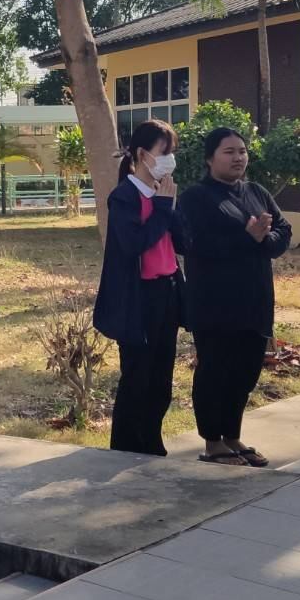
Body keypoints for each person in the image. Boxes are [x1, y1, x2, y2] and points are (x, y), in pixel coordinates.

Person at [176, 126, 292, 468]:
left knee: (245, 372)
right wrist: (248, 238)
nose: (238, 157)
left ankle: (232, 436)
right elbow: (192, 244)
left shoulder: (256, 192)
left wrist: (264, 239)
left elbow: (283, 230)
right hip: (215, 303)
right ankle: (213, 443)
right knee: (216, 371)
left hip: (255, 300)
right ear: (210, 159)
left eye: (242, 151)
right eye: (229, 152)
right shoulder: (196, 198)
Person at [93, 119, 185, 456]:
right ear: (143, 155)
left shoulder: (164, 194)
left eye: (172, 152)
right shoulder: (124, 197)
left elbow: (183, 242)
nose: (169, 159)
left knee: (161, 377)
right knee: (137, 376)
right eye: (164, 152)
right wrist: (161, 208)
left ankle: (151, 439)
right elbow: (134, 244)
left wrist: (170, 207)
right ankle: (126, 446)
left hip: (167, 292)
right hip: (138, 298)